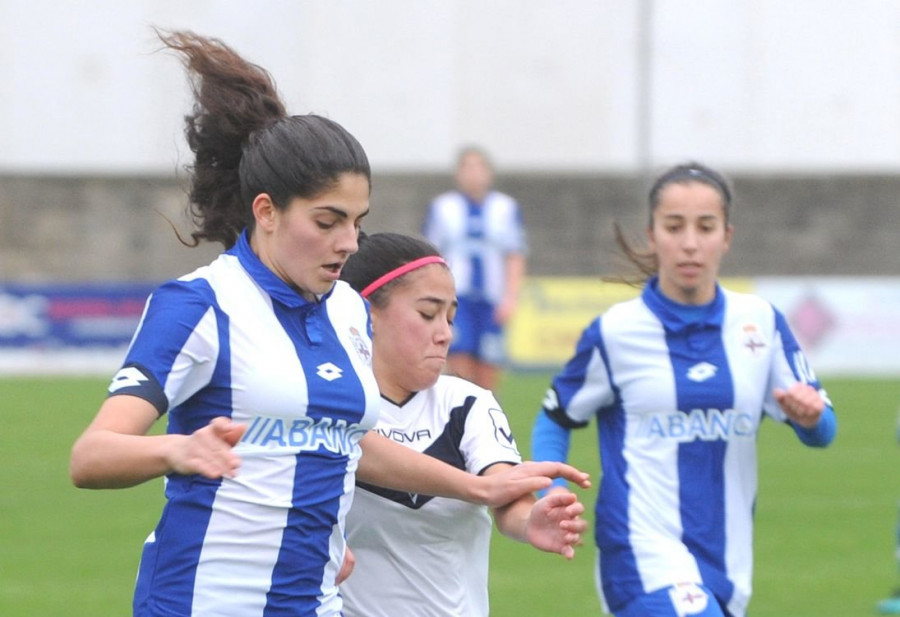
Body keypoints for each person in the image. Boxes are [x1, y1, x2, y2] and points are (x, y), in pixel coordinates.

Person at [68, 31, 590, 617]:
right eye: (327, 221)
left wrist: (481, 486)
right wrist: (178, 449)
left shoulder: (345, 309)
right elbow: (92, 456)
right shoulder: (199, 304)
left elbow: (351, 443)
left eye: (357, 221)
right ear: (266, 211)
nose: (348, 243)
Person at [530, 162, 837, 617]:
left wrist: (811, 418)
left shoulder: (760, 323)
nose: (690, 242)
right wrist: (550, 492)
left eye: (705, 227)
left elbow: (823, 430)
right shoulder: (616, 333)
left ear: (726, 237)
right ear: (653, 235)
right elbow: (555, 418)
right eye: (675, 227)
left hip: (727, 562)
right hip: (640, 553)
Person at [336, 232, 587, 617]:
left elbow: (504, 490)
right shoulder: (334, 405)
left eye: (450, 317)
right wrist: (481, 489)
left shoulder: (467, 403)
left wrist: (529, 518)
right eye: (427, 314)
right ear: (367, 313)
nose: (445, 334)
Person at [423, 146, 527, 392]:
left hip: (492, 300)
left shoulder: (506, 208)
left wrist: (511, 297)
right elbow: (430, 255)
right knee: (459, 363)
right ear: (458, 174)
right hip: (457, 300)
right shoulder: (442, 208)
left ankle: (487, 419)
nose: (473, 174)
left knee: (489, 366)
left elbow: (514, 254)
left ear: (489, 173)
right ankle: (461, 417)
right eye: (467, 167)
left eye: (479, 167)